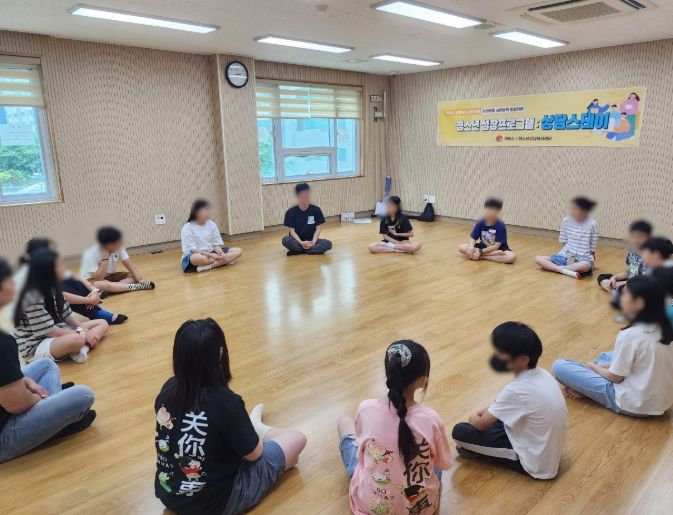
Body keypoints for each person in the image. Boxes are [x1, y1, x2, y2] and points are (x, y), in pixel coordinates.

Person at [154, 318, 306, 515]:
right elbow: (255, 454)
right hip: (217, 504)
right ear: (220, 353)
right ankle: (255, 427)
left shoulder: (167, 389)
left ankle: (252, 429)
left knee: (288, 458)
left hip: (169, 494)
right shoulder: (226, 402)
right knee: (297, 439)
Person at [337, 340, 452, 514]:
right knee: (433, 465)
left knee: (344, 422)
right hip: (420, 509)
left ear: (388, 373)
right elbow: (444, 463)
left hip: (373, 506)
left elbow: (362, 454)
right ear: (423, 381)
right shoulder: (431, 420)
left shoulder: (366, 409)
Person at [0, 257, 96, 463]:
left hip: (6, 403)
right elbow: (17, 404)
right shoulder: (3, 340)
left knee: (46, 366)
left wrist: (24, 382)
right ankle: (56, 423)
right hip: (3, 435)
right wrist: (38, 397)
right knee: (84, 395)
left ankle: (54, 414)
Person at [452, 322, 567, 479]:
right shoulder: (543, 374)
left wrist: (473, 418)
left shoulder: (516, 390)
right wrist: (490, 411)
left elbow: (480, 424)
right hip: (543, 447)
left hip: (534, 462)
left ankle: (477, 450)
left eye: (501, 352)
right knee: (496, 417)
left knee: (460, 432)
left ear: (523, 359)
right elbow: (505, 406)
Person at [552, 275, 673, 416]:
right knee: (607, 356)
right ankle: (587, 384)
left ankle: (587, 389)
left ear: (639, 303)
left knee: (559, 366)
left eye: (625, 294)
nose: (621, 297)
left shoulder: (629, 335)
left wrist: (592, 367)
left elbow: (615, 378)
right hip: (662, 403)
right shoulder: (665, 326)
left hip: (633, 405)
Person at [13, 249, 109, 364]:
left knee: (102, 323)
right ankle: (78, 347)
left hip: (57, 330)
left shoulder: (54, 287)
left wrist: (84, 331)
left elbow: (68, 318)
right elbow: (49, 331)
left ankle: (80, 349)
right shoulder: (32, 295)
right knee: (77, 338)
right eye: (60, 265)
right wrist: (83, 333)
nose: (64, 268)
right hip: (36, 344)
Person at [21, 238, 127, 325]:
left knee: (70, 281)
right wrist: (89, 300)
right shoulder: (35, 275)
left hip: (59, 306)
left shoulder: (50, 266)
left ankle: (98, 309)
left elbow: (77, 279)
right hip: (46, 317)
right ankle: (96, 312)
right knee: (63, 286)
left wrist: (94, 291)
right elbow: (62, 296)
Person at [534, 197, 598, 279]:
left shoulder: (592, 224)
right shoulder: (566, 221)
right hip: (565, 256)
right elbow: (563, 240)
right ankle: (565, 270)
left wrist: (592, 263)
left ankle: (559, 269)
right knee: (538, 259)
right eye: (572, 208)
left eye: (575, 209)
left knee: (585, 266)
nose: (572, 211)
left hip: (582, 259)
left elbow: (592, 247)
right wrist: (568, 257)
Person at [80, 226, 155, 293]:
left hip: (112, 276)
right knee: (99, 284)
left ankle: (112, 288)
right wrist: (105, 259)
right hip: (94, 279)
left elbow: (128, 263)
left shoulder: (118, 246)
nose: (119, 245)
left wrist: (139, 279)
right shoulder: (90, 253)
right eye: (116, 243)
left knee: (134, 276)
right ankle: (131, 287)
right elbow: (99, 278)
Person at [597, 220, 652, 309]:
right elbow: (628, 272)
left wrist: (623, 283)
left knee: (631, 293)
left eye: (640, 237)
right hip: (630, 281)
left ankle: (619, 292)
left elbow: (645, 281)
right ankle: (616, 290)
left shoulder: (651, 256)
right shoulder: (632, 251)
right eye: (633, 236)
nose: (636, 240)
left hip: (641, 285)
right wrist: (614, 278)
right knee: (602, 277)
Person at [180, 200, 243, 273]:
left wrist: (222, 254)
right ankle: (224, 262)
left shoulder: (211, 224)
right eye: (205, 210)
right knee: (199, 258)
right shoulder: (187, 227)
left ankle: (208, 266)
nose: (208, 212)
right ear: (196, 212)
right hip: (195, 254)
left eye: (208, 210)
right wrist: (211, 255)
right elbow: (192, 250)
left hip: (212, 252)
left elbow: (215, 245)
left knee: (238, 250)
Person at [458, 198, 516, 264]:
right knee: (461, 247)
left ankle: (480, 256)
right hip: (484, 248)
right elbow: (473, 238)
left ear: (497, 212)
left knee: (511, 257)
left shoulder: (501, 225)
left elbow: (496, 246)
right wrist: (471, 247)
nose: (488, 211)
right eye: (487, 209)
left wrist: (480, 252)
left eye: (491, 210)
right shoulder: (480, 222)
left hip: (499, 249)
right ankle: (491, 255)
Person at [282, 183, 332, 256]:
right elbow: (292, 231)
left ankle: (299, 250)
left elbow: (318, 229)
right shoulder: (290, 212)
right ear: (298, 196)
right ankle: (310, 250)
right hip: (297, 241)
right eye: (303, 195)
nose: (306, 197)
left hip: (312, 241)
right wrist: (301, 243)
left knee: (328, 244)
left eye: (307, 195)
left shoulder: (316, 210)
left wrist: (313, 242)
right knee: (286, 240)